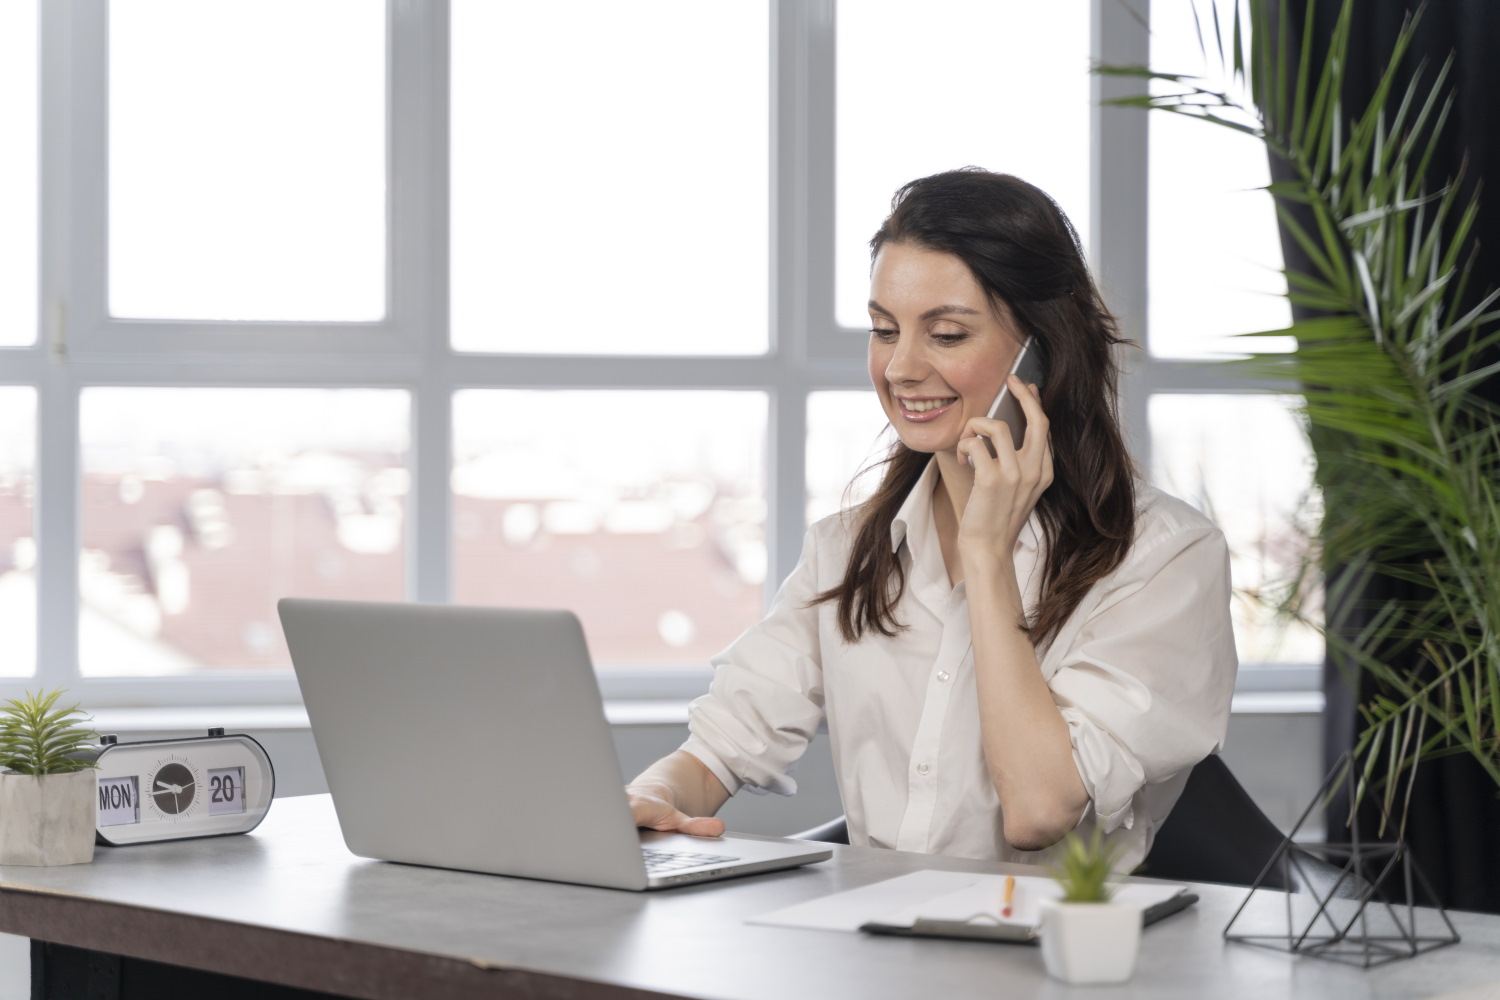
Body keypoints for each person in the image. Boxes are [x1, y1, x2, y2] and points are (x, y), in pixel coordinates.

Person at [627, 168, 1238, 870]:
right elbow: (718, 748)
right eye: (884, 330)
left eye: (946, 334)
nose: (901, 367)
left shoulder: (1166, 560)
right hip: (870, 957)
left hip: (1053, 967)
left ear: (1042, 349)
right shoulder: (848, 548)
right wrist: (646, 801)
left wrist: (984, 554)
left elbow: (1041, 810)